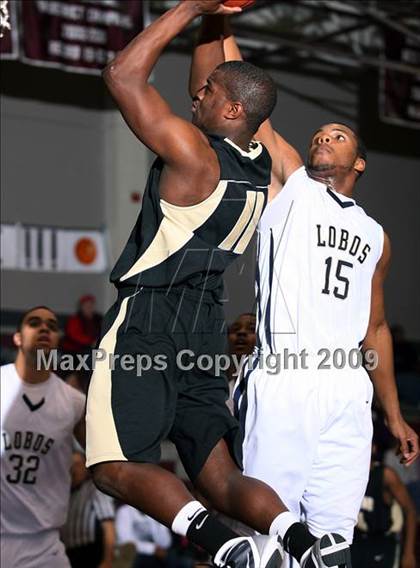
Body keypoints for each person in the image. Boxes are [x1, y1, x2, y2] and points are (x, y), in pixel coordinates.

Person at [85, 2, 344, 567]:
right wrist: (216, 17)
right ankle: (300, 541)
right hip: (205, 329)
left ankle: (223, 547)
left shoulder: (193, 155)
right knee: (221, 476)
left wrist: (190, 6)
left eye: (206, 93)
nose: (194, 95)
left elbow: (121, 75)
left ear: (230, 108)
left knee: (112, 468)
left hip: (150, 319)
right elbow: (215, 75)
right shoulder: (260, 162)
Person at [190, 14, 420, 568]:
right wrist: (215, 18)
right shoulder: (292, 188)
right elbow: (235, 93)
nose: (323, 136)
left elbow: (377, 328)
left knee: (334, 547)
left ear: (358, 163)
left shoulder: (376, 236)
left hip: (347, 388)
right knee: (273, 537)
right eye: (319, 133)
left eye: (337, 135)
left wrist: (393, 413)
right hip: (287, 375)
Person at [0, 306, 86, 568]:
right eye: (34, 323)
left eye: (51, 325)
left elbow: (100, 458)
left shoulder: (74, 402)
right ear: (17, 338)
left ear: (58, 340)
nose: (44, 328)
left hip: (44, 545)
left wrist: (81, 464)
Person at [352, 443, 417, 568]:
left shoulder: (386, 475)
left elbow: (410, 511)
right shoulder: (348, 476)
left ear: (373, 448)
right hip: (357, 542)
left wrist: (409, 553)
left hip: (382, 543)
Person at [62, 451, 115, 568]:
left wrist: (107, 561)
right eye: (70, 465)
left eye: (77, 464)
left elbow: (108, 526)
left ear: (86, 467)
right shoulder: (65, 493)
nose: (73, 469)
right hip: (69, 553)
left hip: (91, 552)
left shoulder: (95, 489)